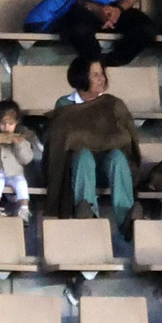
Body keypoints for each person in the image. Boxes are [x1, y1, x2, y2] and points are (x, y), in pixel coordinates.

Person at [43, 56, 139, 227]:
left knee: (117, 156)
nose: (101, 78)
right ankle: (87, 212)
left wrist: (97, 140)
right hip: (75, 171)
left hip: (106, 170)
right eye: (95, 75)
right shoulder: (65, 104)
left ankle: (126, 217)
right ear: (81, 77)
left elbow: (126, 137)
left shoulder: (113, 104)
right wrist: (98, 139)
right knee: (83, 154)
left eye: (102, 74)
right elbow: (63, 141)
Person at [0, 99, 39, 221]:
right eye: (3, 123)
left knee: (22, 184)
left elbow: (26, 159)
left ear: (16, 123)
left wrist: (19, 145)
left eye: (10, 123)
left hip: (15, 173)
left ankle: (24, 209)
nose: (6, 127)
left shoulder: (21, 139)